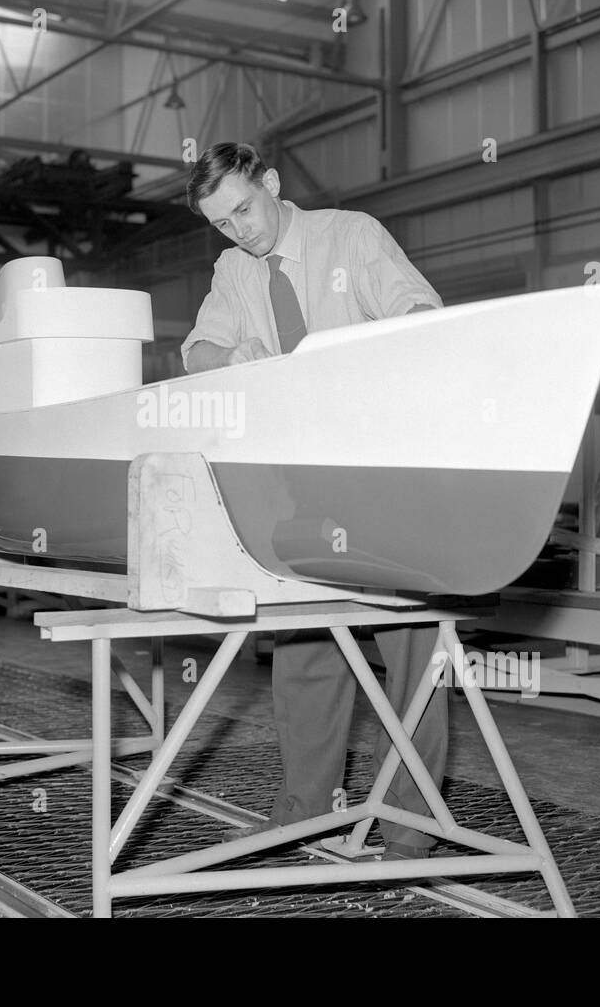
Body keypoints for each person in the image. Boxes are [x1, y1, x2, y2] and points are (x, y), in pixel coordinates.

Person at [180, 141, 447, 859]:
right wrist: (229, 358)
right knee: (302, 640)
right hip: (300, 480)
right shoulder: (234, 270)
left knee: (411, 646)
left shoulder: (351, 236)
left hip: (385, 469)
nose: (241, 230)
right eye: (222, 223)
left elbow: (422, 314)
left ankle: (413, 826)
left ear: (271, 183)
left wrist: (350, 365)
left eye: (244, 209)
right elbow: (195, 352)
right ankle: (303, 809)